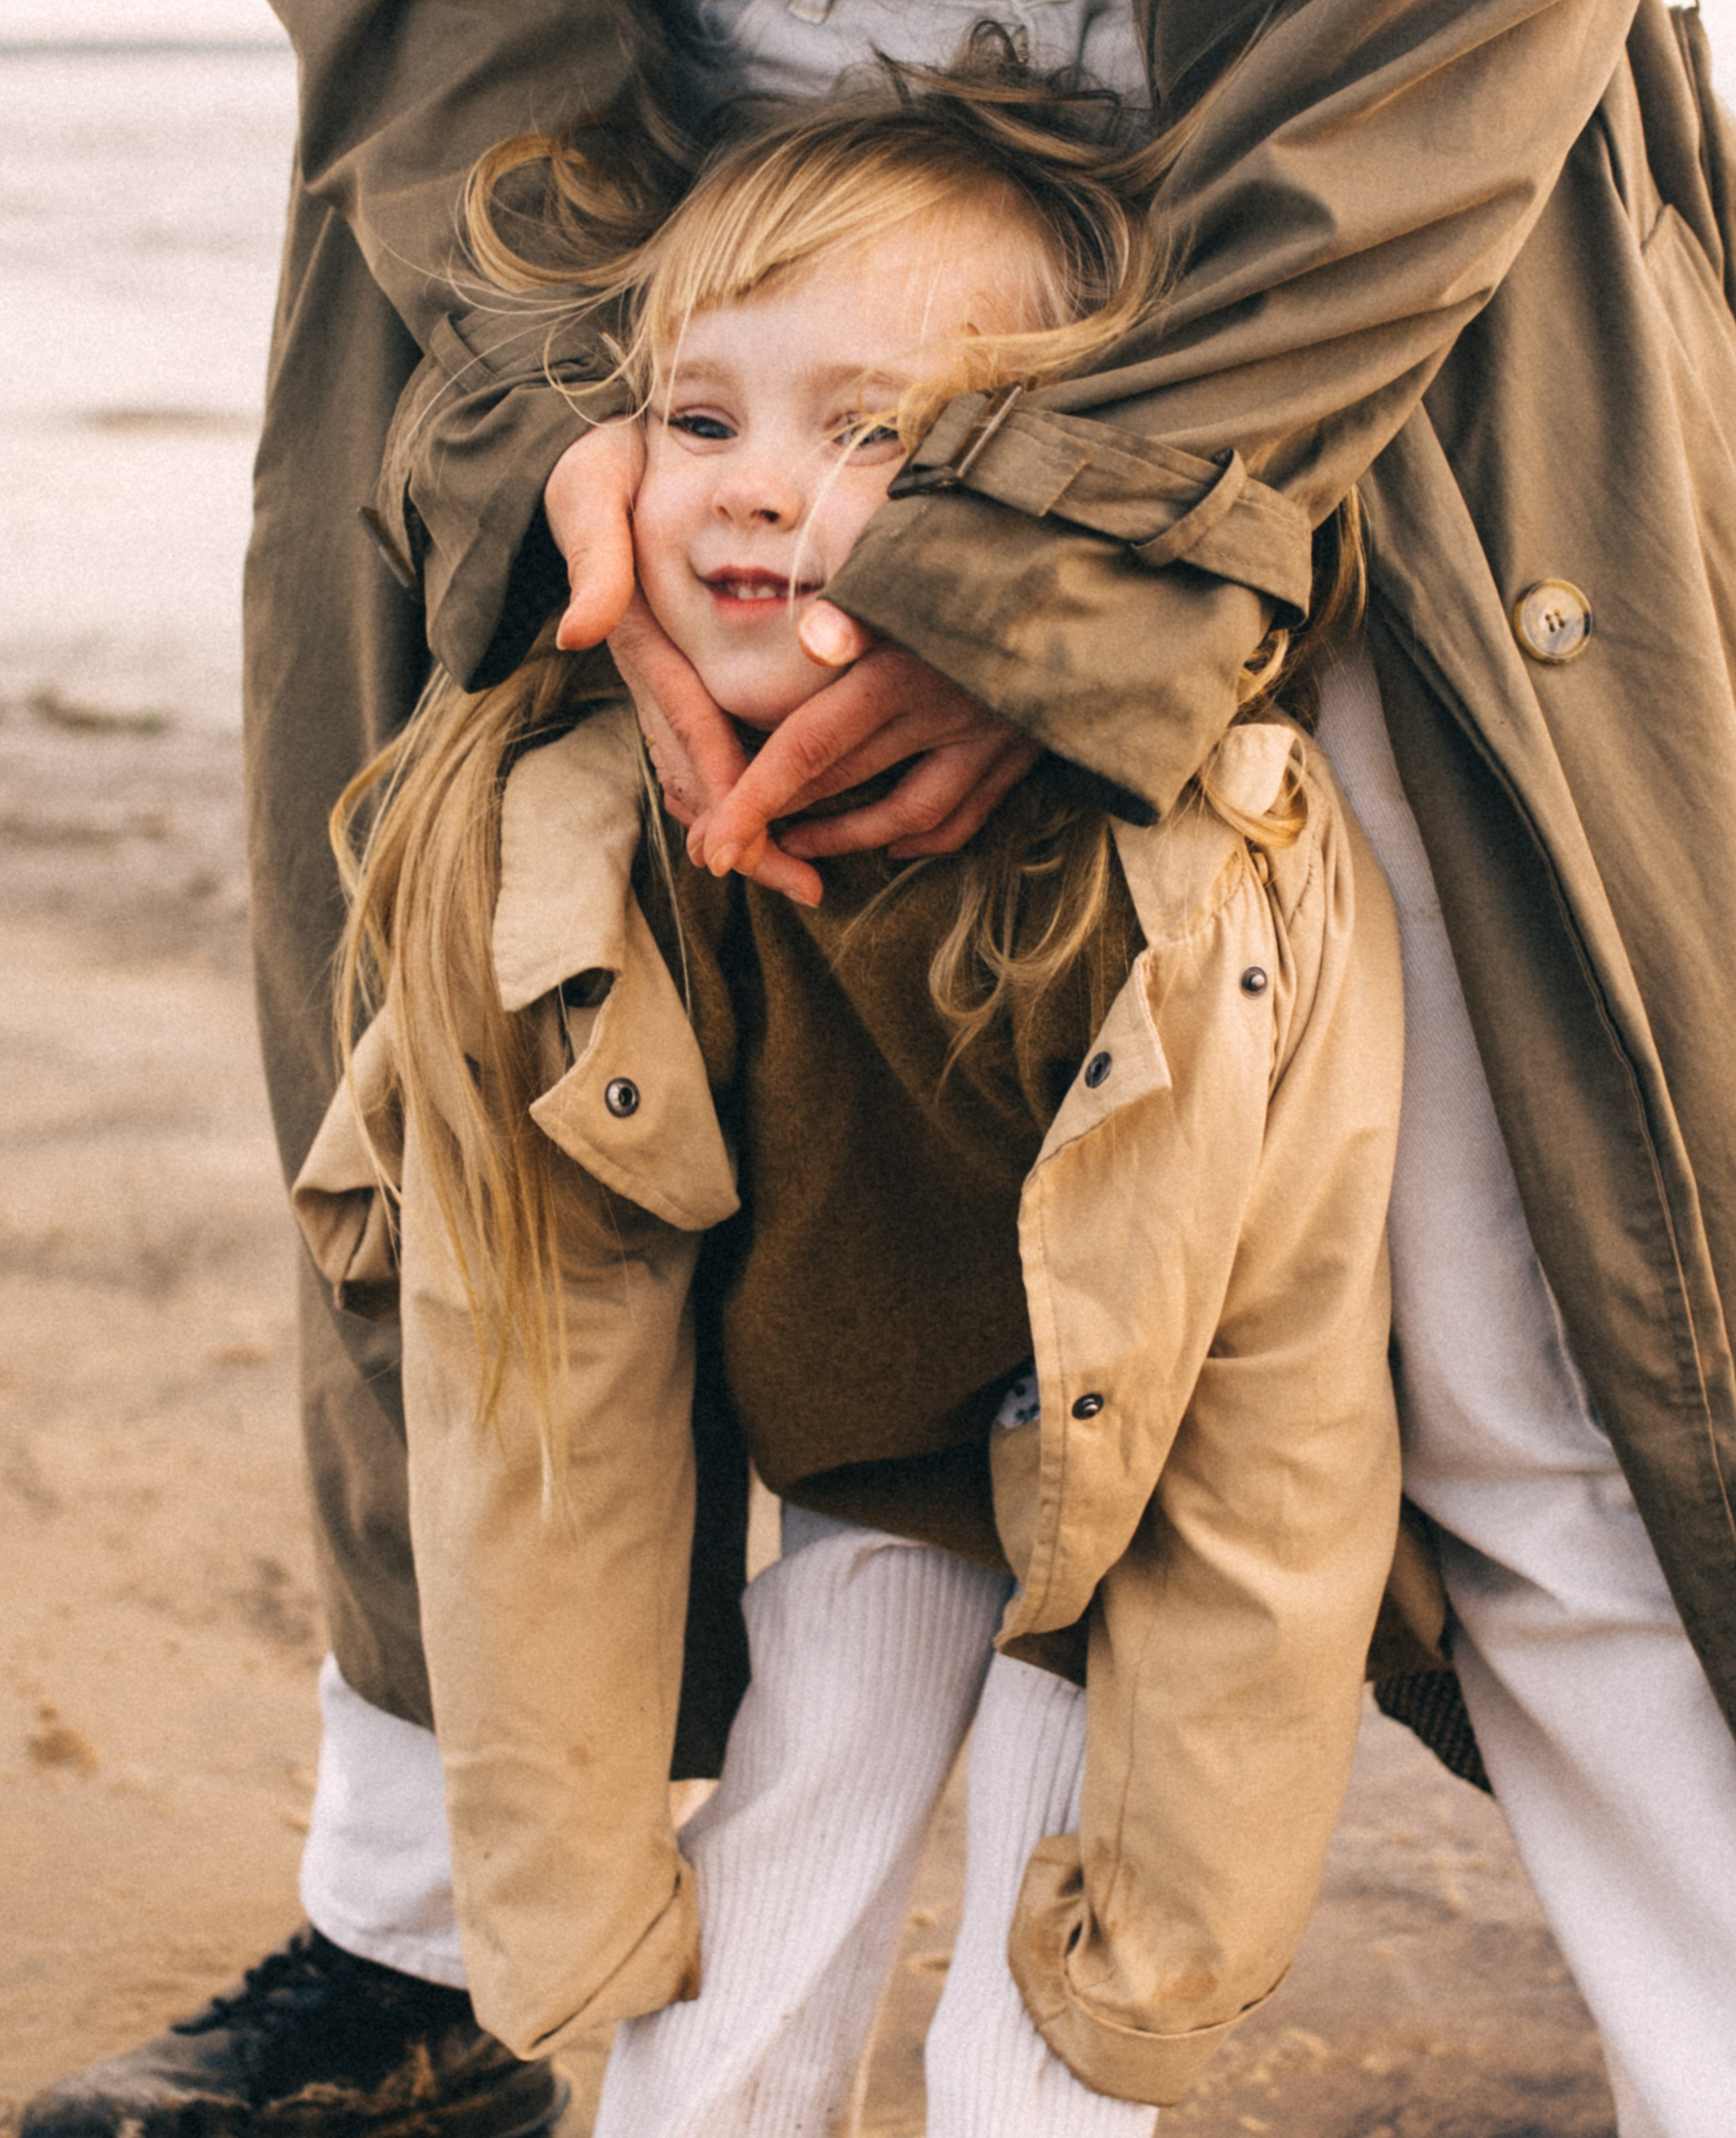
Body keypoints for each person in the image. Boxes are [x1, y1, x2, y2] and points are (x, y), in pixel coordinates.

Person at [22, 3, 1736, 2137]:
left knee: (1549, 1335)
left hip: (1288, 259)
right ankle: (422, 1932)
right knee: (508, 1237)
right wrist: (582, 392)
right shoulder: (682, 431)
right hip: (654, 208)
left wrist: (1050, 553)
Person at [281, 67, 1403, 2136]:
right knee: (726, 1983)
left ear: (1028, 474)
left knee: (1042, 2058)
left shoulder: (1215, 882)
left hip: (1131, 1509)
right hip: (870, 1473)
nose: (755, 489)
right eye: (699, 419)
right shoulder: (576, 841)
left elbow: (1286, 1415)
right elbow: (515, 1368)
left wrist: (1167, 1944)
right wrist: (567, 1897)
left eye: (872, 432)